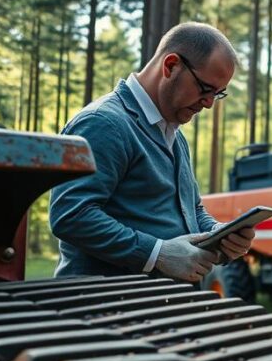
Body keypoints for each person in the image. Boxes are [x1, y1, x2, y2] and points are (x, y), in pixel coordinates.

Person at [49, 22, 254, 283]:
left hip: (158, 302)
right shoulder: (104, 123)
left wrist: (217, 234)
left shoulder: (175, 136)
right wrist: (157, 254)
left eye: (218, 94)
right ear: (171, 65)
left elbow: (191, 208)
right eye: (205, 89)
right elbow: (71, 215)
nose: (209, 104)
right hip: (106, 301)